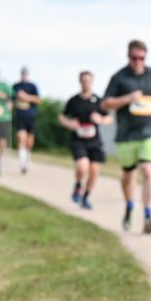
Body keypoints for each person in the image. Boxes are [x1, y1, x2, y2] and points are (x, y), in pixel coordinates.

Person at [101, 40, 151, 233]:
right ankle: (129, 206)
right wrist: (127, 99)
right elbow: (105, 104)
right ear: (128, 57)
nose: (138, 61)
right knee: (128, 175)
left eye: (141, 58)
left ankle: (149, 215)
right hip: (127, 135)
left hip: (150, 133)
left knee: (148, 170)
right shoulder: (119, 78)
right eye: (134, 58)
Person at [59, 70, 112, 209]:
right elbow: (62, 116)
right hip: (78, 139)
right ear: (80, 81)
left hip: (94, 140)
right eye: (83, 80)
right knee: (83, 166)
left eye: (88, 80)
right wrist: (69, 123)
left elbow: (109, 118)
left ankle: (86, 197)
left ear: (92, 81)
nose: (86, 83)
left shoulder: (98, 100)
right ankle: (77, 184)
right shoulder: (74, 100)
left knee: (94, 171)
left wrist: (100, 119)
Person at [12, 67, 41, 174]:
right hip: (19, 116)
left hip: (31, 117)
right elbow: (11, 100)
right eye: (22, 73)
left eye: (25, 73)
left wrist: (26, 97)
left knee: (29, 142)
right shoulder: (15, 86)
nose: (24, 75)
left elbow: (38, 100)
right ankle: (22, 164)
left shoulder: (32, 86)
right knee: (21, 139)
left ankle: (28, 156)